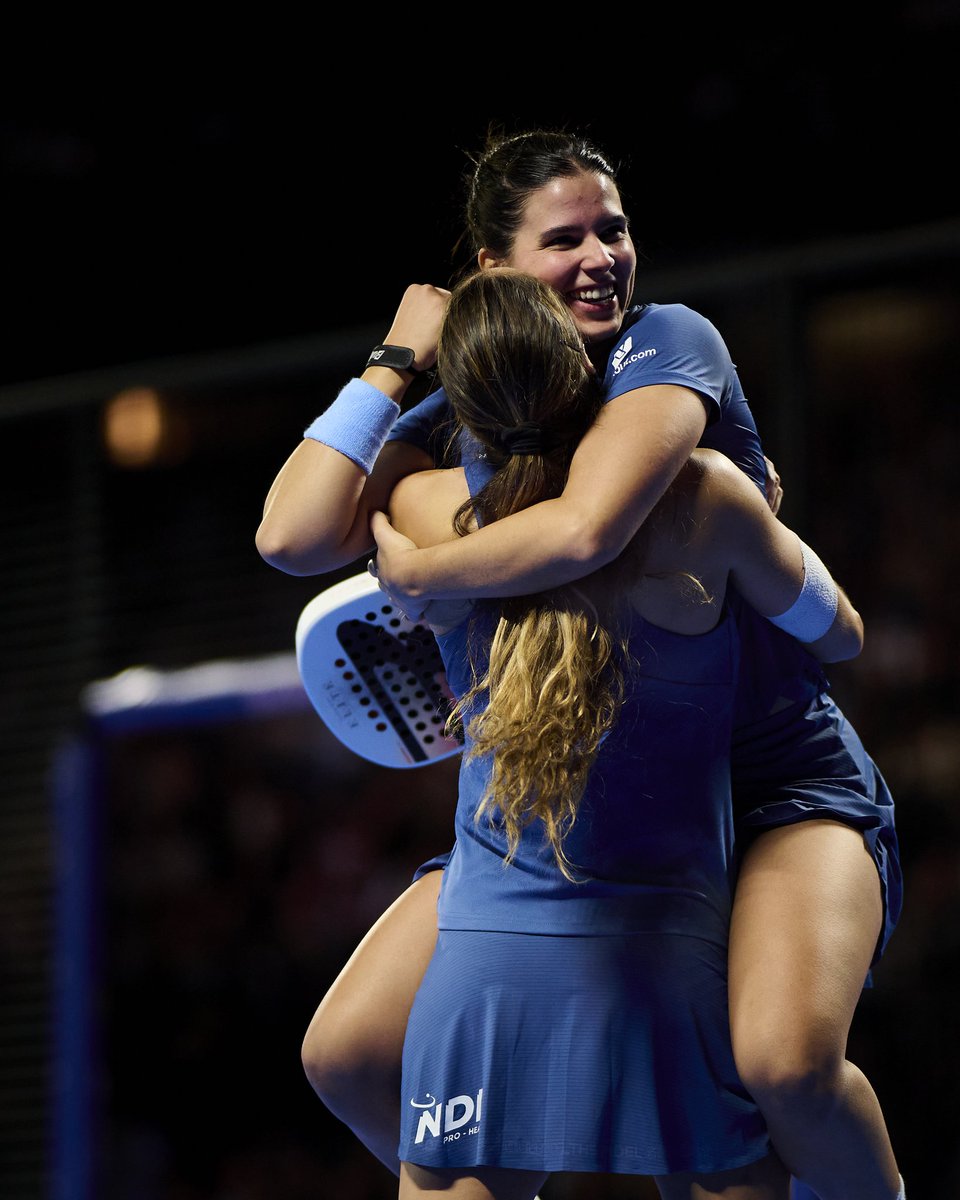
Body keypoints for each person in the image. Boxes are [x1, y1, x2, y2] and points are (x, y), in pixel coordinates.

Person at [257, 129, 903, 1200]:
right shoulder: (466, 408)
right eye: (565, 239)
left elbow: (587, 531)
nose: (602, 255)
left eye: (614, 228)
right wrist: (391, 357)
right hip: (585, 803)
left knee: (784, 1067)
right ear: (493, 273)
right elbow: (288, 535)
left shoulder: (668, 344)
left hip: (772, 783)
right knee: (350, 1055)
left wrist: (425, 573)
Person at [385, 265, 869, 1199]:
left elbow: (287, 534)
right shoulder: (704, 500)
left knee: (344, 1061)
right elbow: (839, 631)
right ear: (587, 375)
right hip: (661, 951)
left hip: (479, 967)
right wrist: (765, 529)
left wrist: (396, 367)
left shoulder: (421, 520)